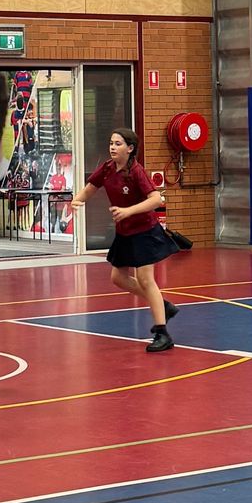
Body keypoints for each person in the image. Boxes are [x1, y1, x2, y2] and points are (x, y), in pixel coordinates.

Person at [71, 126, 179, 352]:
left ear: (130, 148)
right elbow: (91, 187)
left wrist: (128, 211)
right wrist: (77, 200)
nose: (112, 147)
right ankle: (162, 305)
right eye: (111, 143)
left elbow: (156, 199)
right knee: (118, 278)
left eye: (118, 144)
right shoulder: (107, 168)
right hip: (124, 232)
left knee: (145, 279)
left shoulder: (136, 171)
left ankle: (163, 333)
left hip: (144, 231)